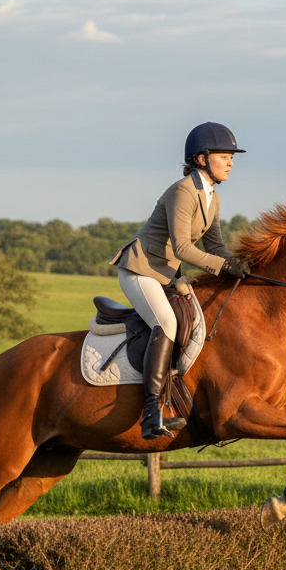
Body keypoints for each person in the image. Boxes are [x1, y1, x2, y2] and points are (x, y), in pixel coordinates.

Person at [110, 121, 251, 439]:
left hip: (164, 274)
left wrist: (237, 263)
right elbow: (185, 247)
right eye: (224, 155)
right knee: (168, 325)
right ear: (202, 159)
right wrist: (223, 267)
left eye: (232, 157)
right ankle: (150, 413)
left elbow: (214, 246)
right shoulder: (183, 191)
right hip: (140, 270)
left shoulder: (212, 198)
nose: (231, 162)